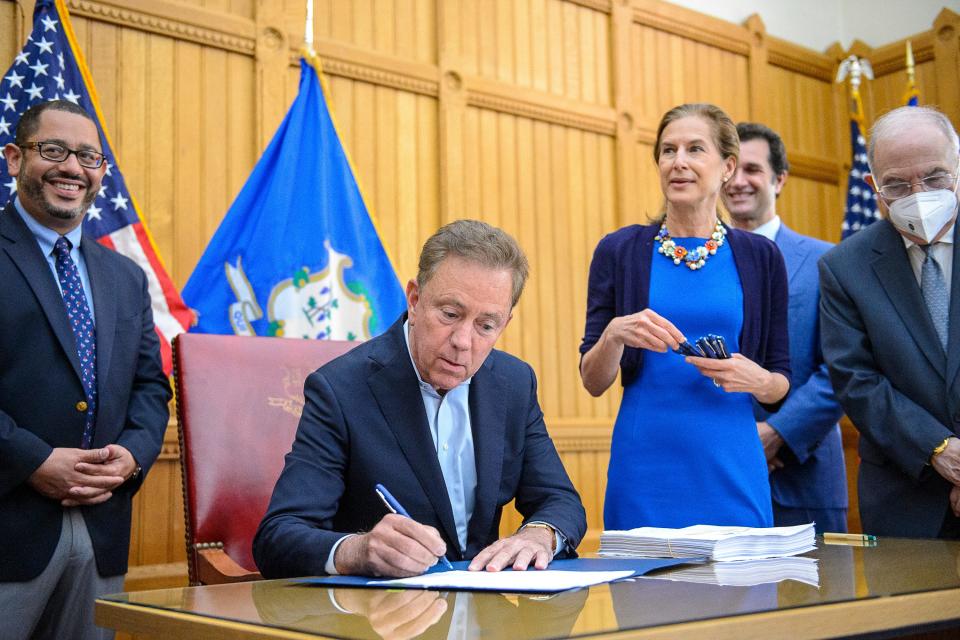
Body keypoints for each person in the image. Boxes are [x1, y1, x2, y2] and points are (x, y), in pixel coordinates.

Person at [254, 219, 586, 578]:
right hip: (380, 620)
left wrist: (540, 535)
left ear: (504, 325)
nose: (463, 341)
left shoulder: (514, 383)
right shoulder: (340, 390)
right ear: (414, 300)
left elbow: (560, 500)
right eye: (450, 314)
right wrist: (359, 550)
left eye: (485, 325)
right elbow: (278, 536)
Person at [0, 100, 171, 639]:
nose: (72, 168)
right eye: (53, 150)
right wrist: (34, 460)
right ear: (13, 158)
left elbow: (149, 385)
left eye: (88, 157)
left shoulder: (124, 276)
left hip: (103, 531)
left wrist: (135, 456)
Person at [579, 103, 791, 530]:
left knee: (747, 596)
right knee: (647, 594)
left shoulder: (761, 256)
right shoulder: (618, 251)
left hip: (732, 459)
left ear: (727, 167)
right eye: (667, 150)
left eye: (695, 149)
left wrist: (759, 380)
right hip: (646, 465)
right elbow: (592, 380)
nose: (678, 162)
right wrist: (615, 335)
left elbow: (780, 382)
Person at [820, 105, 960, 538]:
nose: (919, 193)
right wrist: (938, 449)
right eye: (897, 184)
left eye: (935, 177)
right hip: (906, 497)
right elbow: (855, 377)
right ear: (873, 187)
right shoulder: (845, 266)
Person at [722, 122, 847, 534]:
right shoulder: (696, 263)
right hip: (718, 478)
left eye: (753, 170)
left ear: (780, 179)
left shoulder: (827, 262)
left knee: (822, 600)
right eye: (732, 169)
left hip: (802, 479)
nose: (739, 181)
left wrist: (777, 432)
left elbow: (843, 369)